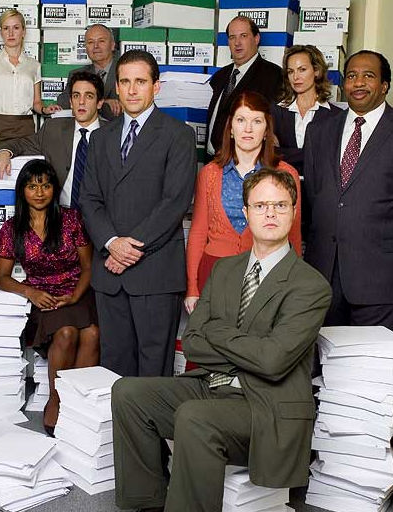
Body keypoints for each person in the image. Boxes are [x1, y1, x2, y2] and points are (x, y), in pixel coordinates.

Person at [90, 168, 331, 512]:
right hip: (214, 385)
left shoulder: (310, 285)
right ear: (246, 213)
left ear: (293, 212)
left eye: (280, 205)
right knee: (130, 393)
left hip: (265, 406)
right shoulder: (225, 270)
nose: (270, 213)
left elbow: (273, 362)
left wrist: (221, 335)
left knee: (195, 416)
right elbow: (195, 342)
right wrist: (241, 346)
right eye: (261, 205)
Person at [78, 49, 196, 377]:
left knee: (153, 371)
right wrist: (111, 243)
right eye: (125, 82)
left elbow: (175, 201)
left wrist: (128, 249)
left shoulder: (178, 134)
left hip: (155, 272)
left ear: (156, 87)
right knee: (113, 368)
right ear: (116, 86)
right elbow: (89, 199)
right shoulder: (100, 138)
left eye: (140, 82)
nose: (132, 90)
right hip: (109, 273)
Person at [301, 50, 393, 336]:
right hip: (324, 276)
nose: (358, 83)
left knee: (375, 361)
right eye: (351, 76)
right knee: (324, 360)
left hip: (384, 279)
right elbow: (313, 197)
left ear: (384, 85)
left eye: (368, 76)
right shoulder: (319, 131)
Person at [0, 159, 99, 436]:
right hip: (43, 296)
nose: (39, 192)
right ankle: (56, 399)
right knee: (66, 333)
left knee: (92, 334)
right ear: (22, 190)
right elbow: (1, 277)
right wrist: (32, 293)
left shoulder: (72, 219)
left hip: (78, 290)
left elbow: (88, 267)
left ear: (54, 189)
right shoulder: (12, 228)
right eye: (32, 186)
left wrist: (74, 296)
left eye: (46, 186)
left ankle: (78, 404)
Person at [186, 91, 303, 315]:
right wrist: (192, 287)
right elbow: (198, 233)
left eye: (256, 121)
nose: (248, 129)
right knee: (214, 335)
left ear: (267, 130)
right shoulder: (210, 173)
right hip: (214, 272)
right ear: (230, 128)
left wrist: (294, 287)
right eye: (241, 120)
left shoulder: (286, 174)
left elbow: (294, 236)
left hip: (268, 274)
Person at [0, 70, 104, 209]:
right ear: (70, 101)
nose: (81, 102)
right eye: (76, 96)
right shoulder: (53, 129)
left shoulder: (114, 134)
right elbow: (22, 144)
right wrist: (4, 152)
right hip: (60, 213)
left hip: (100, 213)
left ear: (99, 103)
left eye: (89, 96)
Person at [0, 9, 60, 154]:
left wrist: (45, 110)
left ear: (23, 32)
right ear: (1, 32)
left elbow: (36, 102)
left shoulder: (34, 65)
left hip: (26, 129)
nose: (11, 33)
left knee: (27, 168)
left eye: (16, 28)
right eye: (6, 28)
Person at [206, 16, 284, 156]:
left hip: (247, 161)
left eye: (243, 36)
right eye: (232, 37)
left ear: (256, 39)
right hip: (213, 160)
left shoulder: (273, 76)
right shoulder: (220, 76)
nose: (237, 43)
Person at [272, 44, 342, 175]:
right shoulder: (276, 111)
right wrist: (313, 154)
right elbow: (269, 153)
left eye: (302, 69)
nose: (295, 77)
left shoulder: (336, 116)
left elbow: (332, 159)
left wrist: (286, 152)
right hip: (283, 183)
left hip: (320, 186)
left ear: (317, 71)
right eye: (290, 71)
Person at [55, 24, 122, 119]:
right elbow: (63, 102)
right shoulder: (77, 74)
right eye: (90, 42)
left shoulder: (126, 71)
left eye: (101, 41)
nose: (96, 46)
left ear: (112, 45)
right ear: (85, 48)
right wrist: (101, 102)